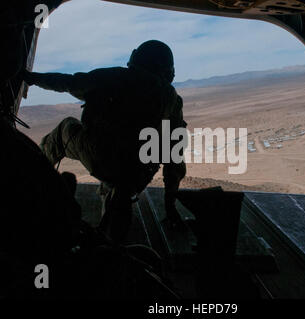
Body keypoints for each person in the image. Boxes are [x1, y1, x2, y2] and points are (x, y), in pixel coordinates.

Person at [21, 40, 187, 242]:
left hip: (101, 159)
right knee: (121, 178)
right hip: (138, 175)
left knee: (65, 128)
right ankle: (113, 228)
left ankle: (37, 181)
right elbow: (174, 154)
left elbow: (67, 82)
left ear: (135, 59)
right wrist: (170, 206)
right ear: (168, 71)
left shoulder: (115, 77)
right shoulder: (172, 99)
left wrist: (30, 78)